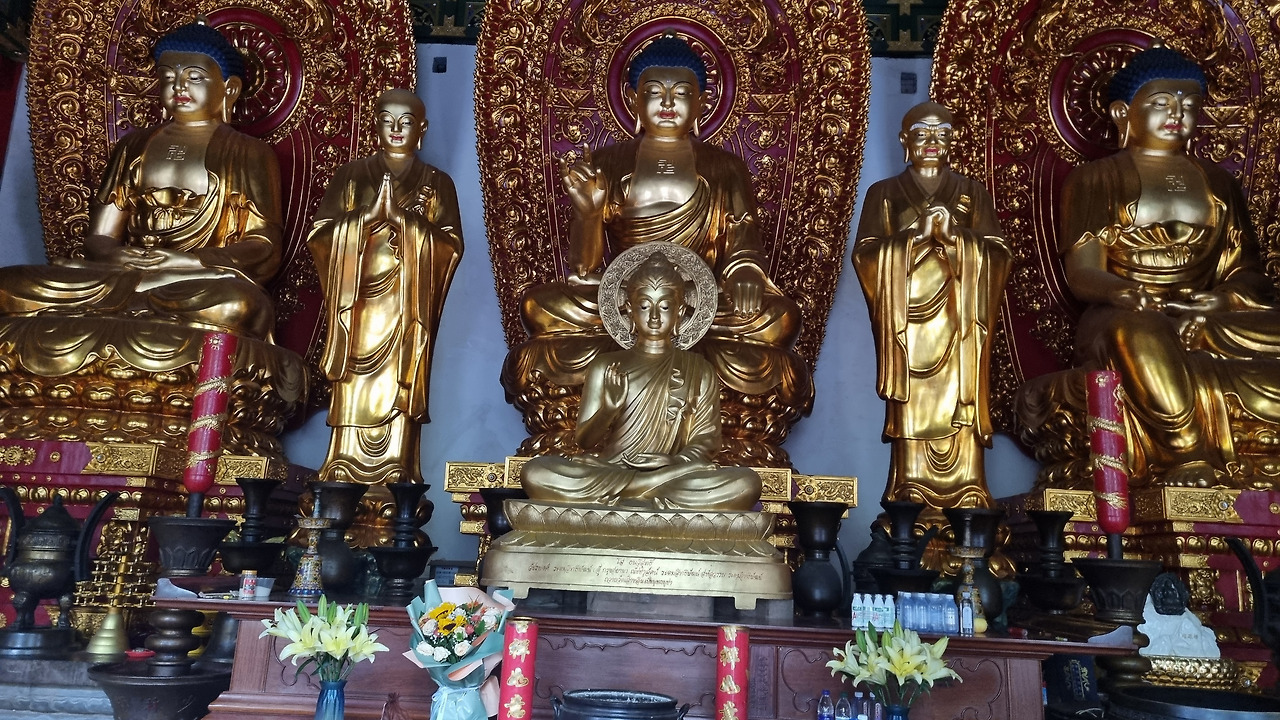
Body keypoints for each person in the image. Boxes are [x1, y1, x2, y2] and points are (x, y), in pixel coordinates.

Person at [502, 32, 810, 416]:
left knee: (781, 318)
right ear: (632, 99)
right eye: (654, 92)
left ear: (702, 103)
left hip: (700, 300)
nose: (667, 103)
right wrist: (589, 213)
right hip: (623, 301)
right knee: (538, 307)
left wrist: (744, 272)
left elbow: (742, 238)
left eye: (681, 93)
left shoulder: (726, 167)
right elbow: (584, 270)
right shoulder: (608, 162)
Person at [1060, 45, 1280, 487]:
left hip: (1208, 317)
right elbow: (1081, 272)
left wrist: (1222, 300)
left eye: (1189, 105)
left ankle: (1194, 344)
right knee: (1137, 335)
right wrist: (1120, 291)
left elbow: (1247, 271)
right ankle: (1185, 451)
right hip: (1126, 311)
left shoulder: (1219, 183)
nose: (1177, 114)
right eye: (1161, 103)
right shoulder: (1096, 178)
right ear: (1123, 113)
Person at [0, 20, 282, 341]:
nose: (179, 87)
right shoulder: (133, 145)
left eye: (194, 77)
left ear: (229, 89)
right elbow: (100, 236)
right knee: (10, 286)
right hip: (121, 275)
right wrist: (116, 255)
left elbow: (264, 246)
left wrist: (191, 260)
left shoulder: (249, 152)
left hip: (194, 279)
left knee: (237, 304)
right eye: (168, 77)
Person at [852, 101, 1011, 512]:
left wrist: (958, 239)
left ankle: (969, 490)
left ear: (953, 141)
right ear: (904, 140)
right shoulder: (883, 193)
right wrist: (917, 237)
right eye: (921, 133)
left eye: (941, 133)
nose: (932, 141)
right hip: (907, 326)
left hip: (962, 321)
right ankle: (910, 490)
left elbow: (999, 253)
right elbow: (866, 255)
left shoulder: (973, 192)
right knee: (912, 403)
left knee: (963, 403)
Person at [521, 244, 761, 511]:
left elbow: (706, 439)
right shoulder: (605, 365)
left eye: (665, 306)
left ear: (681, 312)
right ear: (629, 310)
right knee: (536, 471)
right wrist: (608, 410)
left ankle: (635, 493)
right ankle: (647, 489)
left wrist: (676, 462)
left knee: (746, 483)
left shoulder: (700, 369)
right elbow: (584, 441)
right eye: (645, 306)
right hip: (612, 470)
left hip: (671, 474)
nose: (655, 317)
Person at [307, 88, 463, 486]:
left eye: (406, 122)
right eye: (387, 120)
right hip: (355, 302)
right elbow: (320, 235)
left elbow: (451, 246)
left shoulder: (437, 182)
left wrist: (404, 222)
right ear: (374, 126)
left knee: (400, 380)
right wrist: (364, 219)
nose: (396, 129)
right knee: (351, 378)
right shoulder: (350, 175)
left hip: (406, 304)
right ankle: (340, 465)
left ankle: (397, 467)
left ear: (421, 130)